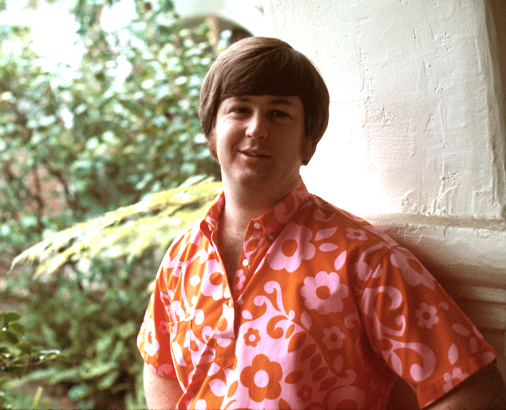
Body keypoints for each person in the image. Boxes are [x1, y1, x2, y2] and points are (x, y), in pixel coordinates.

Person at [137, 36, 506, 409]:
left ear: (308, 142)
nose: (256, 128)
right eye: (240, 109)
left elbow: (473, 388)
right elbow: (160, 368)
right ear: (212, 131)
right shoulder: (181, 259)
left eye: (278, 113)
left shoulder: (366, 261)